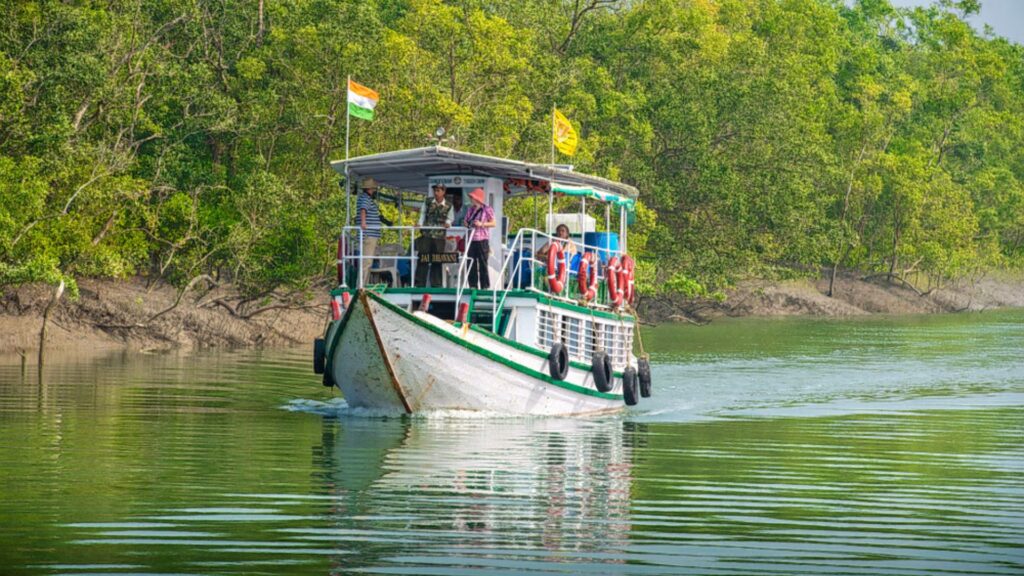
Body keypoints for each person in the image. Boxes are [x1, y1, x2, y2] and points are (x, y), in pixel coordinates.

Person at [415, 183, 454, 287]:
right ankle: (419, 283)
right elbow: (422, 214)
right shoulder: (427, 201)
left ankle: (436, 284)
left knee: (437, 259)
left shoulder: (449, 205)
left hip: (439, 236)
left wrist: (448, 223)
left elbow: (450, 218)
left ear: (443, 192)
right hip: (426, 234)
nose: (436, 193)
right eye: (435, 190)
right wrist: (419, 224)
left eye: (438, 191)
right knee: (423, 258)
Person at [464, 187, 495, 289]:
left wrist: (481, 224)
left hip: (482, 239)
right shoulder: (470, 210)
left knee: (482, 262)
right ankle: (472, 285)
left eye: (472, 197)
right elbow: (466, 221)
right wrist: (468, 223)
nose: (471, 199)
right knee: (471, 262)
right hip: (471, 239)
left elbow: (493, 223)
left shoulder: (487, 209)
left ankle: (484, 286)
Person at [357, 177, 384, 286]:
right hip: (369, 234)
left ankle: (363, 284)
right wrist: (363, 223)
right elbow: (363, 210)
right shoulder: (365, 198)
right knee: (366, 261)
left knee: (368, 261)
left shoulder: (365, 198)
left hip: (371, 234)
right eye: (373, 189)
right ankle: (362, 285)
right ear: (369, 189)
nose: (374, 191)